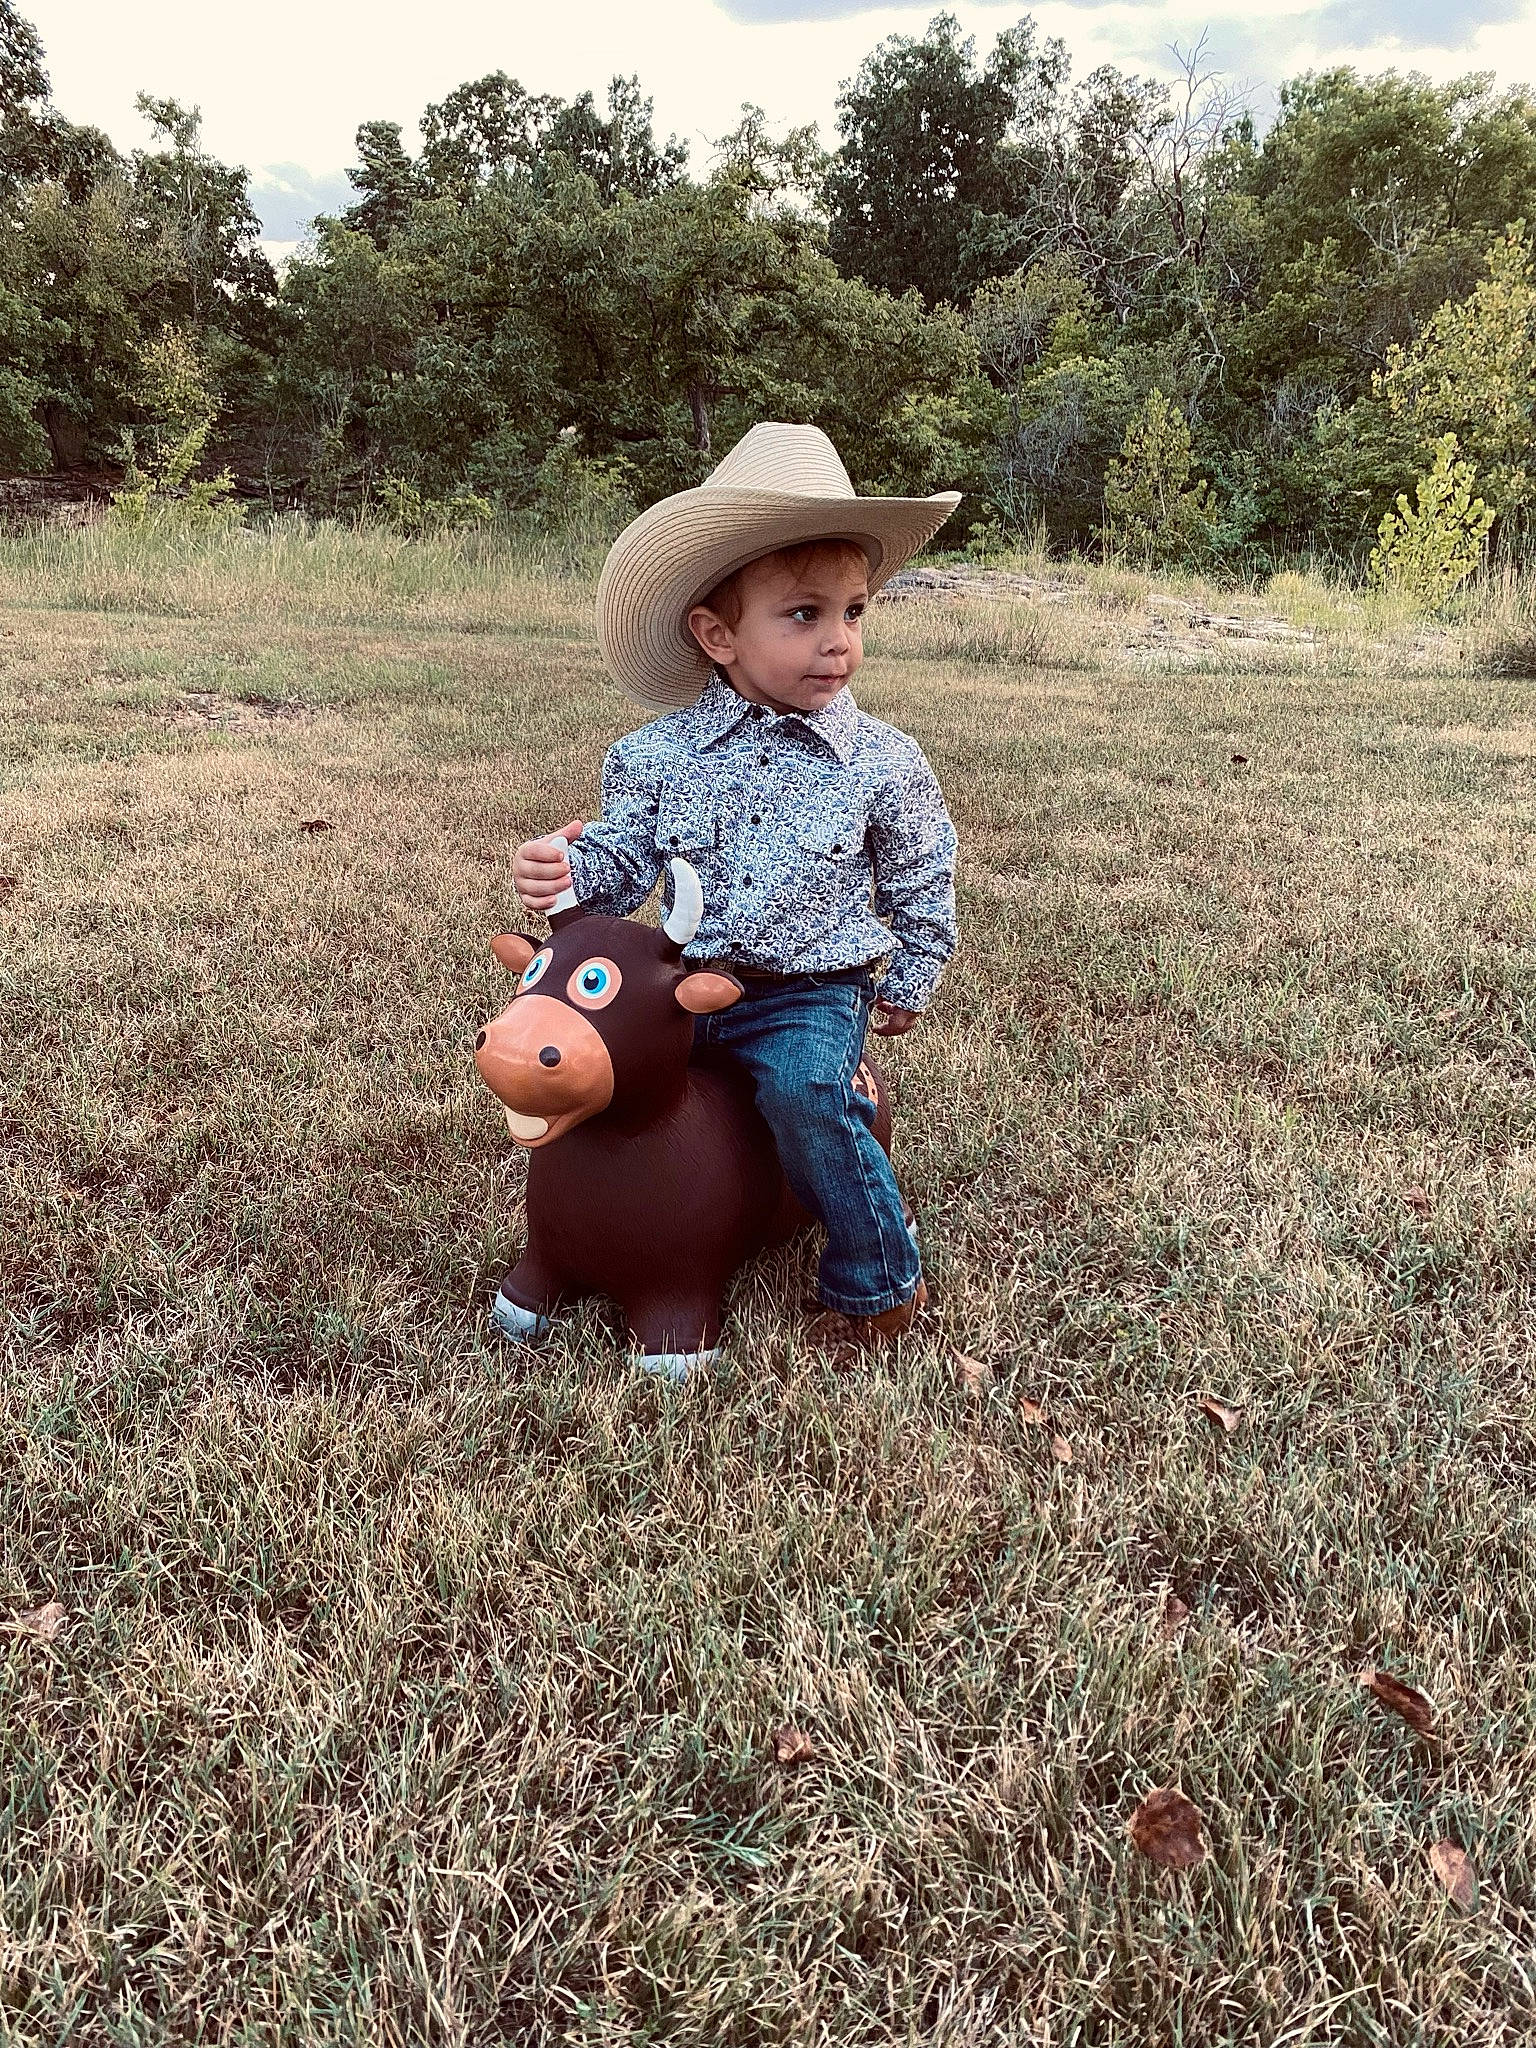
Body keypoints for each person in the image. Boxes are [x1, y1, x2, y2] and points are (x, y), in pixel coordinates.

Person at [512, 421, 960, 1348]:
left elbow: (921, 870)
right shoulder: (657, 755)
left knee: (805, 1096)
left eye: (854, 612)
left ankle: (878, 1275)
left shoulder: (880, 760)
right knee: (610, 1087)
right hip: (683, 989)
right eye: (805, 615)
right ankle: (595, 1235)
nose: (839, 642)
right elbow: (622, 861)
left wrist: (910, 976)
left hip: (805, 991)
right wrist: (566, 874)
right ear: (717, 634)